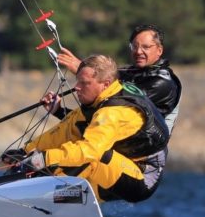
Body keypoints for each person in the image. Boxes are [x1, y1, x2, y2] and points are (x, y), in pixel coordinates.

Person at [45, 24, 182, 198]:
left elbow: (114, 108)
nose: (139, 51)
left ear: (160, 50)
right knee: (65, 191)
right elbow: (97, 119)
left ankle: (51, 198)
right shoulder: (128, 74)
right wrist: (59, 110)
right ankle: (43, 202)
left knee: (84, 157)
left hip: (141, 168)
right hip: (116, 156)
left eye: (146, 47)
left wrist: (87, 71)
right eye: (134, 46)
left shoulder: (163, 84)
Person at [17, 54, 169, 204]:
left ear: (105, 84)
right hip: (113, 169)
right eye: (78, 81)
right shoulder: (101, 101)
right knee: (77, 146)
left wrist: (44, 159)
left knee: (91, 156)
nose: (77, 87)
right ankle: (51, 198)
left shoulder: (112, 113)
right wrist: (26, 152)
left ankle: (46, 197)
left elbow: (89, 151)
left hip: (141, 177)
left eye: (84, 83)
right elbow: (68, 128)